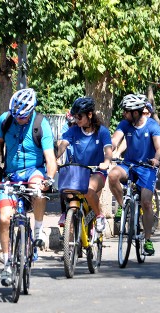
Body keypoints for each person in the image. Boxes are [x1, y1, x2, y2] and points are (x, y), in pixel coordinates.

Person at [0, 88, 57, 287]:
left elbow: (50, 159)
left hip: (33, 170)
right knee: (4, 218)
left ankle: (37, 233)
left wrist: (49, 178)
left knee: (37, 188)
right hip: (11, 174)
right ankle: (8, 262)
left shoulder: (41, 124)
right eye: (16, 116)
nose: (19, 119)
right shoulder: (5, 120)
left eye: (23, 117)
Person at [109, 93, 160, 256]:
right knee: (113, 176)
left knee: (146, 202)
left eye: (126, 111)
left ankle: (147, 240)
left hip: (147, 167)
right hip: (128, 165)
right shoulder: (125, 124)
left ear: (136, 112)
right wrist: (109, 148)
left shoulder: (153, 126)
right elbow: (115, 139)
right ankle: (122, 205)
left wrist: (156, 159)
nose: (124, 114)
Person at [56, 96, 112, 232]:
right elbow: (63, 145)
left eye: (79, 117)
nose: (77, 120)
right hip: (78, 172)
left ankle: (99, 216)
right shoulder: (74, 131)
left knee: (88, 189)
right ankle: (70, 218)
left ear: (90, 114)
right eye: (75, 117)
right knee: (64, 188)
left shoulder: (102, 132)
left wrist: (106, 162)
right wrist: (55, 158)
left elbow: (108, 151)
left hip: (97, 172)